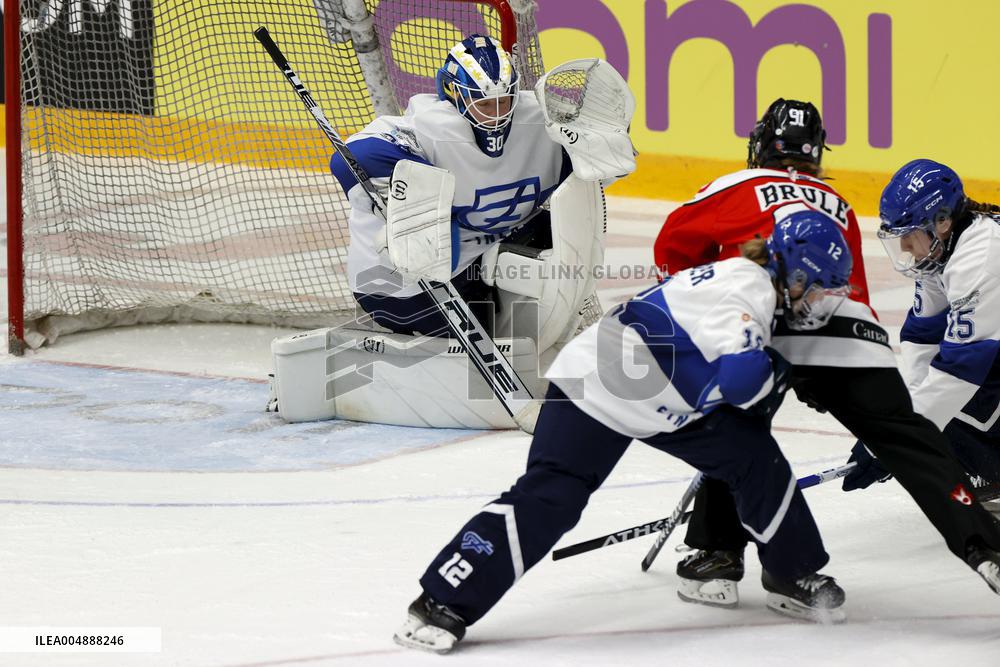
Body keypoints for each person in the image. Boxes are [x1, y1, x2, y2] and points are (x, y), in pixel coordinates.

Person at [394, 211, 855, 654]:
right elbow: (738, 383)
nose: (823, 302)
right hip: (599, 386)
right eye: (819, 290)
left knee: (756, 459)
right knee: (551, 496)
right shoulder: (748, 288)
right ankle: (441, 602)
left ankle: (790, 573)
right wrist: (780, 368)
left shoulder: (762, 288)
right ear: (795, 276)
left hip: (664, 395)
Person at [653, 99, 1000, 608]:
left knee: (735, 425)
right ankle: (984, 547)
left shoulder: (731, 186)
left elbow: (672, 249)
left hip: (763, 325)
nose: (905, 251)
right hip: (844, 334)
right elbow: (881, 311)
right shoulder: (835, 203)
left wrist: (697, 330)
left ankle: (716, 553)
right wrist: (893, 423)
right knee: (916, 442)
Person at [329, 33, 579, 337]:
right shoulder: (430, 128)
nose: (498, 114)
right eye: (485, 104)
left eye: (504, 101)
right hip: (397, 287)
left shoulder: (537, 121)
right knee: (469, 365)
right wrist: (416, 198)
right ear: (455, 94)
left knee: (561, 230)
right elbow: (351, 158)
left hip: (477, 260)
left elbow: (599, 159)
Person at [873, 159, 1000, 509]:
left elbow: (962, 368)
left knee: (975, 375)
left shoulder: (981, 256)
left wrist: (904, 440)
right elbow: (922, 334)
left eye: (909, 235)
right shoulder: (943, 250)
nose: (904, 250)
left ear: (942, 221)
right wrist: (907, 427)